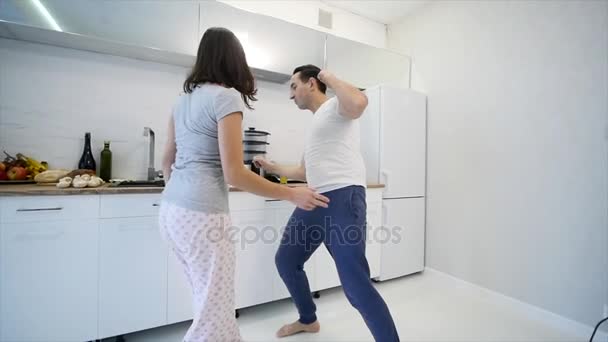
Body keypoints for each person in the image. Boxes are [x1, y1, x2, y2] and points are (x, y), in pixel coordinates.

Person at [158, 29, 330, 342]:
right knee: (214, 309)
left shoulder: (181, 101)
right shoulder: (225, 97)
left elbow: (166, 161)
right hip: (202, 215)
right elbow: (234, 174)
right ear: (235, 59)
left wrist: (180, 195)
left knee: (208, 301)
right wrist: (291, 193)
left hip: (172, 213)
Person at [254, 65, 400, 341]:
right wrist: (270, 165)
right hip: (314, 199)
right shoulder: (316, 125)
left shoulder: (335, 106)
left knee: (355, 285)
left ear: (311, 83)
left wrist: (328, 76)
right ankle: (308, 320)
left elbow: (359, 102)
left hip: (343, 197)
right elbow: (302, 172)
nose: (291, 94)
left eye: (293, 86)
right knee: (286, 260)